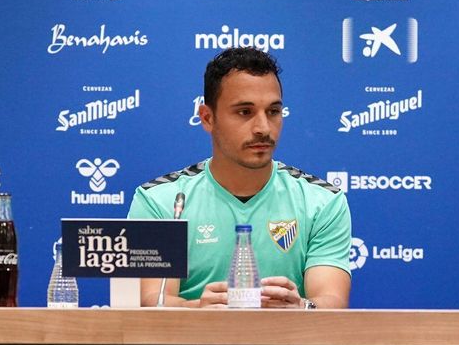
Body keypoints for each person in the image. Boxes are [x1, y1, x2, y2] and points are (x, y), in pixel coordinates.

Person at [127, 48, 351, 308]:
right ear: (207, 118)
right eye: (245, 112)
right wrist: (199, 310)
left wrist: (303, 307)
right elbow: (151, 300)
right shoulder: (161, 201)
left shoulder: (322, 201)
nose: (263, 128)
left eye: (273, 112)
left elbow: (332, 301)